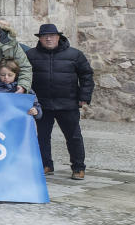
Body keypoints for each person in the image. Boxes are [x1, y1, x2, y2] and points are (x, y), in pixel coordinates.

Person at [26, 24, 94, 180]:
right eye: (44, 36)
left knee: (73, 137)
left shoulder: (75, 55)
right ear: (40, 39)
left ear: (58, 37)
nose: (48, 39)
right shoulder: (30, 55)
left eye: (52, 35)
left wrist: (84, 96)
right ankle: (45, 165)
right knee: (41, 137)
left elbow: (86, 76)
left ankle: (78, 168)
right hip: (41, 104)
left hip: (68, 103)